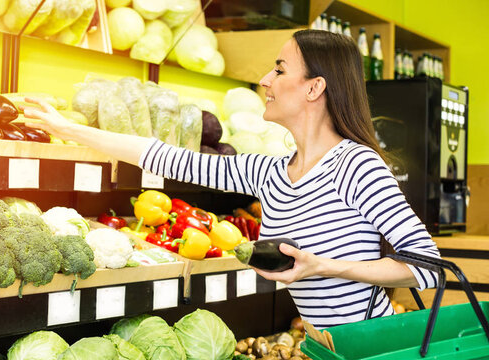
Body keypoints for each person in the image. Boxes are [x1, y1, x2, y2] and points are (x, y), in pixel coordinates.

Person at [23, 30, 439, 329]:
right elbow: (167, 158)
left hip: (373, 349)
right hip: (327, 349)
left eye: (279, 69)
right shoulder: (272, 173)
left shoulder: (356, 165)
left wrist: (322, 267)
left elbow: (429, 268)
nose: (265, 81)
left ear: (314, 88)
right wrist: (67, 128)